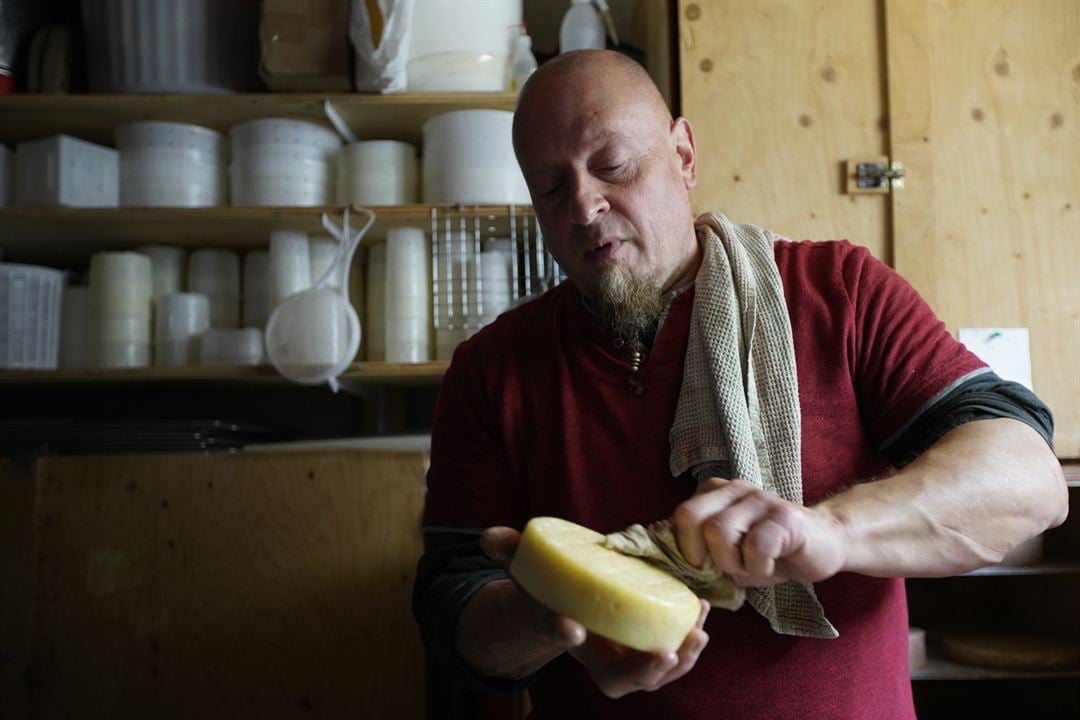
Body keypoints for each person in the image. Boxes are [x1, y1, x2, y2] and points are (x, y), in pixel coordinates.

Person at [412, 50, 1067, 720]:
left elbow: (1028, 478)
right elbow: (451, 611)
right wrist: (544, 619)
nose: (584, 204)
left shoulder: (841, 293)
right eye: (550, 187)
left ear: (684, 155)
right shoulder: (491, 371)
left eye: (612, 164)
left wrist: (832, 532)